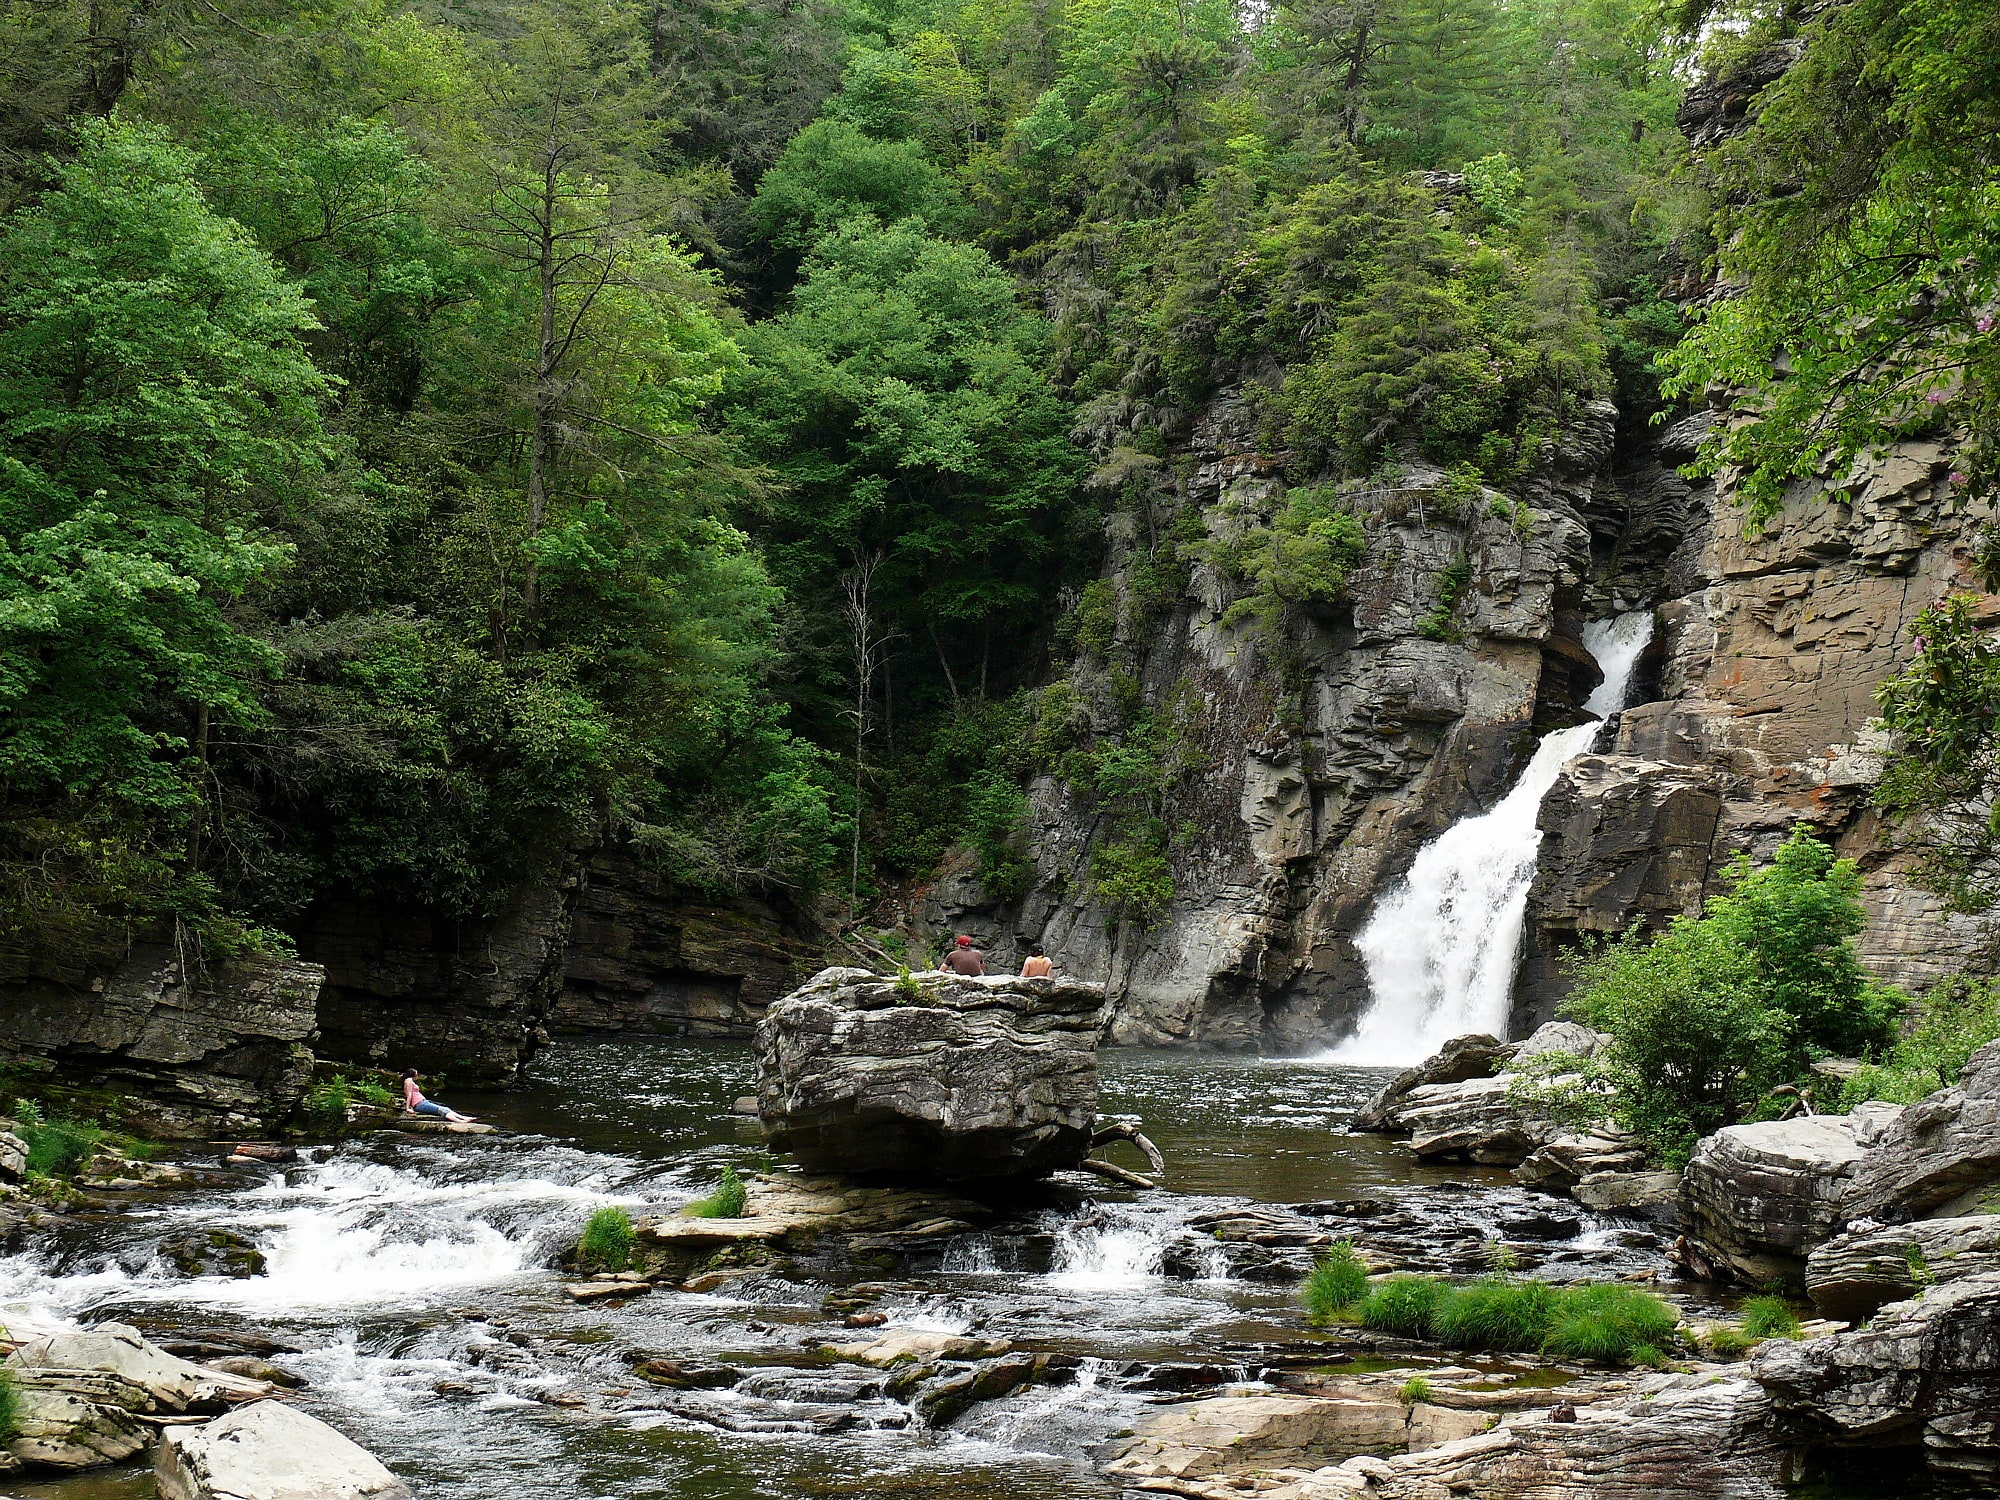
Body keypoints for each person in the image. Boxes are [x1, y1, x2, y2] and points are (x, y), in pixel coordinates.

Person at [401, 1070, 476, 1124]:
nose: (417, 1076)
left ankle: (464, 1117)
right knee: (442, 1110)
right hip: (420, 1104)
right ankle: (461, 1121)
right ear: (412, 1075)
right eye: (416, 1075)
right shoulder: (409, 1080)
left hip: (423, 1102)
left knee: (446, 1108)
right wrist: (408, 1108)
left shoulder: (409, 1081)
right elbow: (409, 1094)